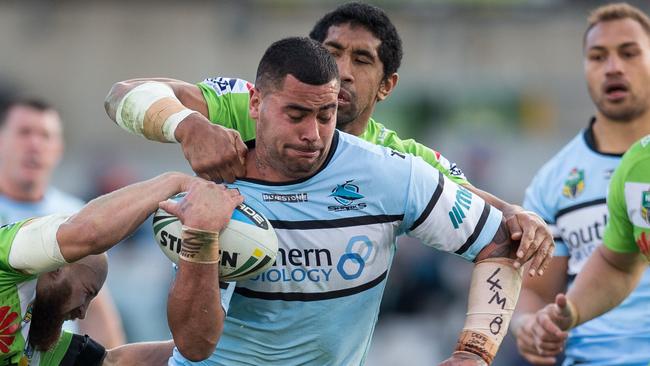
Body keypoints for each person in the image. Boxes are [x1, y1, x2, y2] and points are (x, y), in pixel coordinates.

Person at [110, 36, 553, 365]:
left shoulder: (389, 171)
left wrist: (474, 352)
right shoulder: (219, 189)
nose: (313, 133)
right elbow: (194, 343)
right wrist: (201, 235)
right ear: (256, 102)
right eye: (296, 115)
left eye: (326, 116)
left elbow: (497, 241)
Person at [104, 2, 554, 277]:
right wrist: (188, 126)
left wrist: (517, 214)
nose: (342, 70)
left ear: (386, 86)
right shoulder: (250, 104)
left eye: (361, 59)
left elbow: (483, 210)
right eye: (332, 53)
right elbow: (122, 93)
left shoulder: (395, 160)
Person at [511, 3, 650, 365]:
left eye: (629, 53)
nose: (614, 67)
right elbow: (535, 292)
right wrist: (529, 325)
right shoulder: (553, 180)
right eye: (598, 56)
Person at [0, 171, 243, 365]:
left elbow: (113, 360)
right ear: (57, 267)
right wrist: (177, 182)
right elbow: (87, 232)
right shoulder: (6, 256)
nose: (83, 313)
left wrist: (231, 346)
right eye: (87, 292)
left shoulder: (37, 343)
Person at [0, 98, 125, 348]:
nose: (34, 145)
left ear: (58, 149)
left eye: (45, 136)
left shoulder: (76, 215)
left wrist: (110, 354)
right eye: (24, 133)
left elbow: (97, 306)